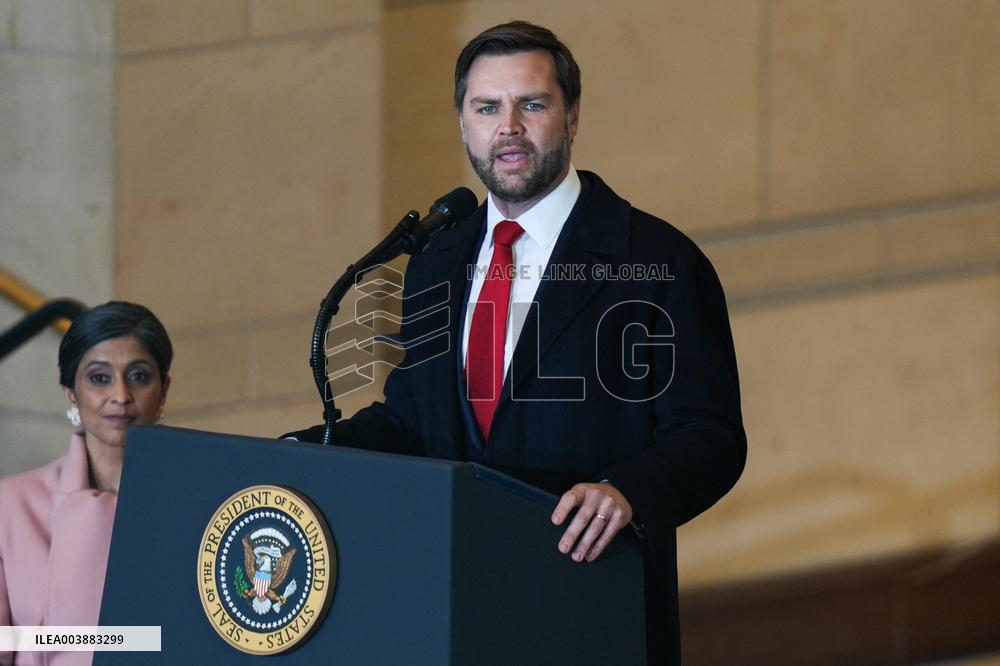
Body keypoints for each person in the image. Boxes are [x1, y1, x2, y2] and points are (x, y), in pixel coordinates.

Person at [292, 21, 746, 663]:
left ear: (572, 116)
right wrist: (310, 455)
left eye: (531, 104)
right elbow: (413, 420)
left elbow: (710, 436)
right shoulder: (435, 259)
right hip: (450, 604)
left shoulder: (656, 261)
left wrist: (627, 492)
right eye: (487, 107)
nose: (508, 126)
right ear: (463, 123)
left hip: (587, 601)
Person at [0, 301, 172, 665]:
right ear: (71, 393)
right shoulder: (10, 504)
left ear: (164, 390)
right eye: (99, 377)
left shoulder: (198, 503)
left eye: (139, 376)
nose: (121, 395)